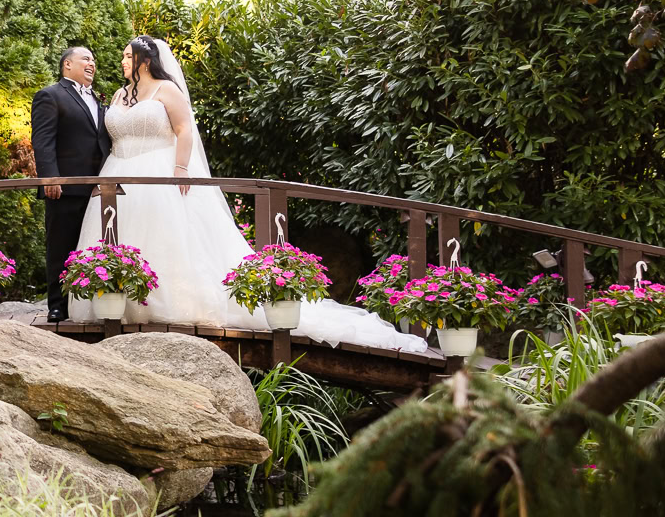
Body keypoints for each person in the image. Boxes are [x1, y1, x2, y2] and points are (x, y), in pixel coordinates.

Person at [71, 35, 427, 353]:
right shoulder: (119, 95)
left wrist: (181, 169)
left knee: (167, 237)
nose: (122, 62)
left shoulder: (167, 90)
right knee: (121, 238)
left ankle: (166, 307)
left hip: (160, 170)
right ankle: (119, 301)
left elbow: (184, 130)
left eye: (128, 56)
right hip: (118, 173)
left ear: (146, 60)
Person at [31, 44, 111, 323]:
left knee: (93, 246)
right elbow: (42, 141)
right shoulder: (50, 96)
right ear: (67, 65)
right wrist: (50, 177)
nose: (92, 63)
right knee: (61, 246)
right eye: (86, 59)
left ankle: (90, 303)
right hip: (63, 188)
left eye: (94, 60)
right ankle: (58, 305)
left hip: (98, 189)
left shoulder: (98, 101)